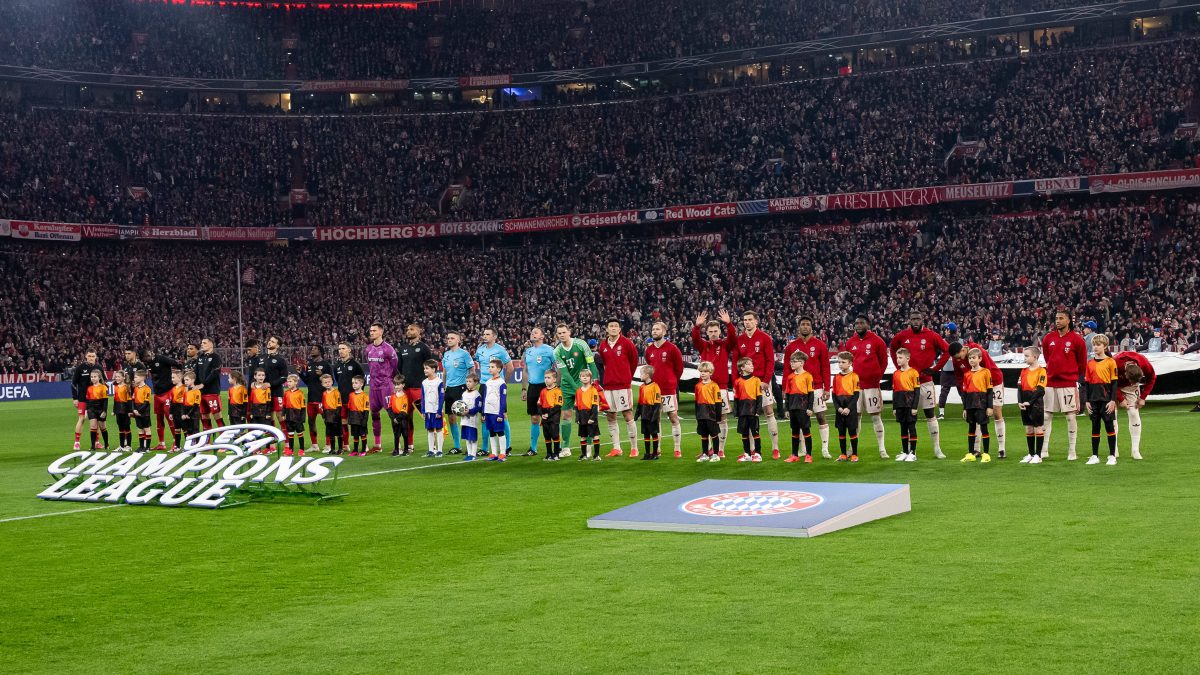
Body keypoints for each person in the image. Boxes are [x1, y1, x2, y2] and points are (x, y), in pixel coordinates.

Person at [888, 311, 950, 459]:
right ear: (909, 321)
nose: (915, 321)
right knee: (907, 417)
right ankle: (908, 451)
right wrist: (899, 367)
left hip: (925, 381)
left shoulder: (931, 335)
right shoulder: (902, 336)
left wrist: (936, 368)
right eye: (913, 319)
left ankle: (937, 448)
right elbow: (892, 348)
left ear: (923, 320)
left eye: (918, 319)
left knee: (930, 414)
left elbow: (947, 350)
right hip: (908, 385)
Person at [1041, 310, 1088, 460]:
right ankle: (1044, 449)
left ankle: (1072, 451)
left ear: (1069, 320)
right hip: (1050, 383)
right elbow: (1048, 358)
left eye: (1061, 318)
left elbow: (1082, 362)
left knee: (1070, 416)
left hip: (1068, 383)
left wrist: (1072, 376)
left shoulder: (1077, 339)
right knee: (1047, 415)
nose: (1058, 321)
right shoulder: (1048, 338)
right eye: (1056, 318)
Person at [948, 340, 1007, 458]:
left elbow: (988, 371)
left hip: (993, 383)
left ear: (963, 350)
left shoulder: (978, 351)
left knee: (996, 413)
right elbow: (960, 378)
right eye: (956, 358)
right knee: (976, 415)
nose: (958, 359)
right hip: (974, 390)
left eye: (959, 356)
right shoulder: (956, 359)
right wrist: (964, 397)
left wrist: (986, 398)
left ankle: (1001, 448)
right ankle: (976, 449)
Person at [784, 315, 832, 459]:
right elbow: (787, 369)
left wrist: (827, 388)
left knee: (820, 416)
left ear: (811, 327)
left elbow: (825, 368)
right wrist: (784, 390)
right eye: (802, 324)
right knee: (799, 420)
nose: (805, 326)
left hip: (816, 387)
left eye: (807, 324)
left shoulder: (820, 345)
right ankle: (803, 450)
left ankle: (825, 449)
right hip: (797, 391)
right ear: (799, 327)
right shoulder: (791, 347)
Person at [733, 310, 779, 459]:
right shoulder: (739, 340)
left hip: (761, 381)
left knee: (768, 411)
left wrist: (766, 380)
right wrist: (735, 381)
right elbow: (735, 362)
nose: (747, 322)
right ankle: (751, 450)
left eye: (750, 320)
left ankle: (775, 448)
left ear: (756, 321)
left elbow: (770, 361)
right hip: (745, 383)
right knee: (748, 415)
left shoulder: (765, 338)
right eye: (745, 320)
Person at [692, 309, 737, 456]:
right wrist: (697, 326)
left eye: (715, 330)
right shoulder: (703, 346)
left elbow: (733, 337)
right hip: (704, 388)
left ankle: (721, 450)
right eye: (710, 331)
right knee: (706, 419)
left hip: (720, 387)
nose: (713, 333)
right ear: (707, 332)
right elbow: (695, 339)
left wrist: (729, 323)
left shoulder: (725, 345)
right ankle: (709, 449)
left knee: (721, 418)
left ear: (719, 331)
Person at [843, 315, 889, 458]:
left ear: (868, 324)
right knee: (855, 417)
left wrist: (876, 377)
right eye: (857, 323)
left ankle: (882, 449)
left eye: (862, 323)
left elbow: (884, 362)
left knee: (876, 416)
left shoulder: (877, 341)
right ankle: (852, 448)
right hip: (855, 387)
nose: (859, 325)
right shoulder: (850, 342)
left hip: (872, 386)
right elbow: (846, 362)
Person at [553, 323, 599, 458]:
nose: (561, 335)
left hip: (584, 382)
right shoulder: (557, 351)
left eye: (563, 332)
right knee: (566, 415)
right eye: (559, 333)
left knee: (587, 415)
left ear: (569, 332)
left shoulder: (581, 344)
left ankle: (589, 446)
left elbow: (591, 363)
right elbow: (565, 373)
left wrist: (594, 380)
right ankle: (566, 447)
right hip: (568, 386)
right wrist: (576, 388)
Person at [598, 319, 641, 458]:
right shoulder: (603, 345)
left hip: (623, 384)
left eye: (616, 326)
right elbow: (605, 363)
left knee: (627, 414)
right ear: (607, 329)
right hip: (609, 385)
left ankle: (634, 448)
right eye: (611, 326)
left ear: (619, 328)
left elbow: (634, 361)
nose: (613, 328)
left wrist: (627, 377)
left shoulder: (627, 343)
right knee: (611, 415)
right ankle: (616, 448)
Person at [644, 321, 685, 458]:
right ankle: (658, 449)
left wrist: (672, 381)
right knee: (655, 420)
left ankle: (677, 448)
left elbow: (679, 369)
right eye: (653, 329)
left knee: (673, 417)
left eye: (657, 329)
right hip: (654, 391)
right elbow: (649, 369)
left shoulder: (672, 348)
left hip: (668, 389)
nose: (654, 331)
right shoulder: (648, 350)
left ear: (664, 332)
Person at [474, 328, 513, 454]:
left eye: (487, 334)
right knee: (484, 416)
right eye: (483, 334)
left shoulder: (500, 350)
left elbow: (510, 367)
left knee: (503, 415)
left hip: (497, 386)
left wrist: (504, 383)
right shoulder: (480, 350)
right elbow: (480, 366)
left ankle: (507, 446)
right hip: (484, 385)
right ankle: (485, 448)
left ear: (494, 336)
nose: (484, 336)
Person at [1113, 350, 1156, 460]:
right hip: (1113, 385)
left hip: (1131, 389)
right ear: (1125, 374)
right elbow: (1110, 382)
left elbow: (1152, 377)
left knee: (1133, 413)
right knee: (1112, 415)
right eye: (1131, 380)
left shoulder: (1143, 362)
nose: (1132, 382)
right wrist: (1121, 399)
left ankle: (1135, 450)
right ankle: (1113, 448)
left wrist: (1143, 397)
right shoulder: (1115, 363)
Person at [1084, 334, 1119, 465]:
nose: (1095, 347)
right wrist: (1086, 401)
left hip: (1106, 400)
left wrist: (1112, 400)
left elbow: (1114, 383)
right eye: (1094, 345)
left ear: (1105, 346)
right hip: (1093, 400)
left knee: (1109, 426)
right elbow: (1087, 383)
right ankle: (1095, 455)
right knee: (1095, 427)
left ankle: (1112, 455)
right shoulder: (1090, 363)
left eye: (1098, 345)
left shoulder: (1111, 362)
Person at [521, 327, 556, 456]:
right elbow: (525, 370)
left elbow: (557, 368)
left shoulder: (549, 350)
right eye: (532, 332)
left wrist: (555, 385)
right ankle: (533, 448)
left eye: (536, 332)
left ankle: (556, 446)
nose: (532, 334)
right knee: (534, 418)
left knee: (550, 418)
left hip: (546, 387)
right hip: (533, 387)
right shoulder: (528, 351)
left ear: (542, 336)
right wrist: (524, 388)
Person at [365, 323, 400, 454]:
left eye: (374, 330)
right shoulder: (368, 349)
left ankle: (398, 445)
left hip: (386, 386)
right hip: (373, 386)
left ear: (381, 332)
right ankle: (377, 444)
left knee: (393, 415)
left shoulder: (388, 349)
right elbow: (370, 365)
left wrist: (389, 380)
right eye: (370, 330)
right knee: (374, 414)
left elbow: (394, 366)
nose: (371, 332)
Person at [441, 331, 473, 455]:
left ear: (458, 340)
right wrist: (443, 387)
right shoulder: (446, 354)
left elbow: (471, 369)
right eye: (448, 338)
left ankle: (469, 445)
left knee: (465, 417)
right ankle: (457, 446)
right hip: (449, 388)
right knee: (451, 418)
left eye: (452, 338)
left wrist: (470, 385)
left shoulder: (464, 354)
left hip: (461, 388)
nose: (449, 340)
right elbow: (444, 372)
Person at [960, 348, 994, 463]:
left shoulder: (985, 372)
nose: (971, 360)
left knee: (984, 428)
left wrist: (990, 407)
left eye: (974, 358)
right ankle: (971, 453)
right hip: (970, 405)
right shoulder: (967, 374)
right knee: (971, 428)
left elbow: (990, 391)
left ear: (980, 358)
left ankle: (986, 454)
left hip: (982, 404)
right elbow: (964, 393)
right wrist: (964, 408)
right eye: (969, 358)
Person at [144, 347, 182, 451]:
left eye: (148, 355)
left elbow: (177, 363)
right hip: (157, 394)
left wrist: (179, 376)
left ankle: (176, 442)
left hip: (167, 393)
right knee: (159, 419)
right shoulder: (147, 363)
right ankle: (162, 443)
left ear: (152, 352)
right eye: (145, 357)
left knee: (170, 418)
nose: (147, 358)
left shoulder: (162, 359)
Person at [299, 345, 333, 453]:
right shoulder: (309, 365)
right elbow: (307, 382)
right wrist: (300, 373)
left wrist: (322, 375)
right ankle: (314, 445)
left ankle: (328, 445)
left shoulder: (325, 364)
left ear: (320, 351)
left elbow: (330, 381)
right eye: (312, 348)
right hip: (311, 398)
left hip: (322, 398)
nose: (312, 350)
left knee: (327, 421)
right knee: (311, 422)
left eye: (315, 349)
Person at [783, 351, 815, 463]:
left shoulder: (808, 376)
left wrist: (810, 408)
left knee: (806, 431)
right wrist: (786, 409)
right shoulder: (790, 377)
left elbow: (811, 393)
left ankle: (809, 455)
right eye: (791, 361)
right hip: (792, 408)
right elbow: (787, 394)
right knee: (794, 432)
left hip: (803, 408)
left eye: (794, 361)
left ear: (801, 363)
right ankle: (794, 455)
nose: (791, 363)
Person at [1017, 347, 1047, 464]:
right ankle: (1031, 453)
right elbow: (1019, 387)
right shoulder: (1023, 371)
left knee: (1037, 427)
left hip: (1036, 404)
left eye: (1027, 356)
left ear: (1035, 357)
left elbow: (1040, 389)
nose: (1025, 358)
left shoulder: (1041, 371)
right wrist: (1019, 401)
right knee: (1028, 428)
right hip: (1024, 403)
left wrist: (1030, 402)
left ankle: (1038, 455)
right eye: (1024, 356)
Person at [333, 342, 365, 450]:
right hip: (342, 399)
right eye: (339, 349)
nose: (340, 351)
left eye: (343, 348)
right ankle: (346, 445)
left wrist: (358, 395)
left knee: (357, 422)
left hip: (354, 399)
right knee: (343, 422)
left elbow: (361, 380)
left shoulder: (355, 364)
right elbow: (338, 380)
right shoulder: (337, 365)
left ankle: (364, 445)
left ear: (349, 350)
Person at [733, 357, 764, 463]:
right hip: (742, 411)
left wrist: (758, 410)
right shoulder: (738, 382)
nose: (752, 366)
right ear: (742, 367)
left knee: (755, 432)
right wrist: (736, 412)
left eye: (752, 364)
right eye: (749, 364)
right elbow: (736, 398)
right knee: (744, 433)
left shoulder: (756, 380)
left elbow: (759, 396)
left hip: (752, 410)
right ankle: (747, 453)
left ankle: (758, 454)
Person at [891, 348, 920, 462]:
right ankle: (904, 451)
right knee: (903, 428)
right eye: (897, 357)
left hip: (909, 405)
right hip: (900, 405)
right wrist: (894, 407)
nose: (898, 360)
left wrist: (914, 407)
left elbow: (917, 391)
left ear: (907, 358)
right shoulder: (896, 374)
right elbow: (894, 391)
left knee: (911, 428)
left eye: (900, 357)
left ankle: (913, 452)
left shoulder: (914, 372)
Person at [832, 351, 861, 462]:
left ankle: (854, 454)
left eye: (843, 362)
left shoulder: (854, 376)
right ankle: (843, 454)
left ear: (850, 363)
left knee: (852, 432)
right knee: (841, 432)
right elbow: (834, 395)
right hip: (840, 409)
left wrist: (849, 408)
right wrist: (838, 408)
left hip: (850, 409)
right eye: (839, 362)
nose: (840, 364)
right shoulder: (836, 377)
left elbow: (856, 394)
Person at [71, 349, 102, 450]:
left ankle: (97, 442)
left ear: (95, 357)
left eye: (93, 356)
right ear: (86, 356)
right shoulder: (80, 368)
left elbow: (104, 382)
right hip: (83, 399)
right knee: (82, 418)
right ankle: (77, 442)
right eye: (89, 356)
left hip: (95, 399)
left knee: (96, 420)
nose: (91, 358)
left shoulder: (98, 368)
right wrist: (75, 398)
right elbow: (73, 384)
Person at [574, 369, 606, 461]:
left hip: (591, 414)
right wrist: (577, 417)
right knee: (583, 436)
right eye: (583, 376)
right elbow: (576, 406)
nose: (585, 377)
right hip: (581, 415)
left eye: (587, 376)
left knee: (595, 435)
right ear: (580, 378)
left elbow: (595, 405)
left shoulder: (593, 390)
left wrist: (592, 417)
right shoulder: (578, 391)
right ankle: (583, 455)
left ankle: (596, 455)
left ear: (590, 378)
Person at [694, 361, 723, 462]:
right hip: (701, 414)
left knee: (714, 434)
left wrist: (718, 417)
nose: (702, 373)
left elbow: (718, 402)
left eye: (705, 371)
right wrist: (697, 415)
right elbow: (696, 402)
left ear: (710, 373)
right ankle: (705, 454)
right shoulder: (698, 386)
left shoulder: (714, 386)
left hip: (711, 414)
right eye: (701, 371)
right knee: (704, 435)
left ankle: (715, 454)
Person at [482, 358, 508, 462]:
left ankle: (502, 453)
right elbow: (485, 398)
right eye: (489, 367)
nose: (490, 369)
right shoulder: (487, 382)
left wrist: (501, 414)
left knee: (500, 432)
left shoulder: (501, 383)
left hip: (496, 412)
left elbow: (503, 399)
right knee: (491, 432)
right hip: (488, 411)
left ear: (499, 369)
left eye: (492, 367)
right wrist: (483, 412)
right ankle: (493, 453)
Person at [635, 364, 663, 460]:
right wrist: (637, 414)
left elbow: (657, 403)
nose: (640, 375)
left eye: (641, 373)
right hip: (644, 414)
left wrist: (654, 416)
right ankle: (647, 454)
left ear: (647, 375)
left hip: (652, 414)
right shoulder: (642, 387)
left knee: (654, 433)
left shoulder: (655, 387)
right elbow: (640, 402)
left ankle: (655, 454)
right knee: (646, 434)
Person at [195, 337, 223, 431]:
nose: (202, 344)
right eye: (202, 343)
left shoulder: (216, 357)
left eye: (204, 343)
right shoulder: (200, 357)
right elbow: (196, 373)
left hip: (212, 391)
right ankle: (207, 442)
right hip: (201, 392)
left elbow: (215, 372)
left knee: (217, 416)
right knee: (204, 417)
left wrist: (203, 383)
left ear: (211, 344)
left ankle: (223, 442)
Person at [420, 359, 446, 458]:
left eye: (427, 368)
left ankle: (440, 450)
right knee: (430, 429)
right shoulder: (424, 382)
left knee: (439, 429)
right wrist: (423, 410)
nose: (425, 370)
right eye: (424, 368)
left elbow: (441, 397)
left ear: (433, 369)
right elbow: (423, 397)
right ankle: (431, 450)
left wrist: (439, 410)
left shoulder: (439, 382)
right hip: (427, 410)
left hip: (436, 410)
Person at [263, 336, 289, 430]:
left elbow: (284, 377)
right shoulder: (262, 358)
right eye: (269, 340)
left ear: (277, 346)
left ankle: (287, 442)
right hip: (264, 393)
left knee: (280, 416)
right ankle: (272, 442)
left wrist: (270, 384)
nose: (269, 342)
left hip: (277, 392)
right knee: (268, 417)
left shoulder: (280, 360)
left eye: (273, 342)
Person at [538, 371, 564, 461]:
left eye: (548, 378)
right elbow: (539, 405)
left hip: (554, 417)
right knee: (547, 435)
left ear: (554, 379)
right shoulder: (542, 391)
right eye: (545, 378)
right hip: (545, 416)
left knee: (555, 435)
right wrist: (542, 414)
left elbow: (558, 406)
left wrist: (548, 414)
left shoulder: (558, 391)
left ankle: (556, 454)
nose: (546, 380)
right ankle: (549, 454)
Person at [937, 322, 961, 419]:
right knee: (962, 391)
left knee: (944, 392)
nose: (945, 331)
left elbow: (936, 353)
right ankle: (967, 410)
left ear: (948, 331)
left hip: (946, 370)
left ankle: (941, 413)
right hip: (958, 370)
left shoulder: (942, 341)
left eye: (946, 329)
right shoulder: (961, 341)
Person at [83, 369, 110, 451]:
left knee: (102, 427)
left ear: (99, 377)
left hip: (100, 409)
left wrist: (104, 411)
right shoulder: (89, 388)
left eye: (95, 377)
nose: (93, 378)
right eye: (91, 377)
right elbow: (87, 401)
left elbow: (105, 400)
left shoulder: (103, 387)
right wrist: (86, 411)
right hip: (91, 409)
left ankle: (106, 444)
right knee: (93, 426)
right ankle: (93, 446)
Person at [387, 375, 412, 457]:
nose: (396, 386)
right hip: (394, 418)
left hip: (403, 418)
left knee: (405, 434)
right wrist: (393, 418)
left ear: (403, 385)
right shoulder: (393, 396)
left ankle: (405, 450)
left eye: (398, 384)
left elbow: (404, 410)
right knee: (396, 435)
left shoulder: (405, 397)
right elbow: (389, 408)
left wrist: (398, 419)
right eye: (395, 384)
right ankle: (396, 449)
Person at [282, 374, 307, 456]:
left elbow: (303, 407)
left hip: (297, 416)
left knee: (300, 434)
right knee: (290, 434)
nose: (288, 383)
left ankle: (301, 449)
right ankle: (291, 450)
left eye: (290, 381)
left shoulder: (300, 393)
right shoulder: (286, 393)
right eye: (288, 381)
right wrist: (283, 414)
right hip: (289, 416)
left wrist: (302, 419)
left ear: (296, 382)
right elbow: (284, 405)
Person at [460, 373, 483, 460]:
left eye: (470, 381)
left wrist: (469, 411)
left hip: (472, 420)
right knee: (467, 437)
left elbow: (478, 407)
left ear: (476, 383)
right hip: (464, 420)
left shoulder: (477, 395)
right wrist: (460, 412)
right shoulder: (464, 393)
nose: (468, 383)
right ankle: (469, 454)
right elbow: (461, 405)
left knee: (472, 438)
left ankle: (473, 454)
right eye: (467, 381)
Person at [320, 373, 344, 455]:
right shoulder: (324, 394)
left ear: (332, 382)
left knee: (339, 432)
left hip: (335, 414)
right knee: (331, 433)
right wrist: (323, 415)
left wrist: (337, 415)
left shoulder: (336, 392)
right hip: (327, 414)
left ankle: (340, 449)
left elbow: (339, 404)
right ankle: (332, 449)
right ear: (322, 384)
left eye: (329, 382)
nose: (327, 384)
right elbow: (323, 405)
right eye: (325, 382)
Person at [346, 375, 370, 456]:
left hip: (361, 417)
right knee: (355, 435)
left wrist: (365, 420)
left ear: (361, 384)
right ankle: (355, 450)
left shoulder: (364, 395)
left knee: (362, 434)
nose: (354, 384)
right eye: (353, 383)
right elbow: (349, 408)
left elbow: (366, 409)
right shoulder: (351, 395)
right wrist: (349, 418)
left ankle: (363, 450)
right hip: (353, 417)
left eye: (356, 383)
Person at [132, 370, 153, 452]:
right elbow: (133, 400)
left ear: (142, 378)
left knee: (147, 429)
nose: (134, 379)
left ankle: (147, 447)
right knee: (140, 429)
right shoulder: (136, 388)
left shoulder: (147, 389)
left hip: (144, 411)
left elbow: (146, 402)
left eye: (135, 377)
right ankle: (141, 447)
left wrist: (139, 411)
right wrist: (134, 409)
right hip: (137, 410)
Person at [179, 370, 202, 443]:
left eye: (187, 380)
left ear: (193, 380)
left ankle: (198, 445)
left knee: (195, 429)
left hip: (194, 413)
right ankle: (189, 445)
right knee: (188, 430)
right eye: (184, 380)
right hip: (186, 413)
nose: (185, 381)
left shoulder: (197, 391)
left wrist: (189, 414)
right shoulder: (185, 391)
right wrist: (183, 414)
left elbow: (196, 404)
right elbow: (182, 403)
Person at [112, 370, 133, 452]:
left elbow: (129, 400)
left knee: (127, 427)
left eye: (118, 377)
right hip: (118, 409)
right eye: (116, 377)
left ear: (123, 377)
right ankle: (121, 445)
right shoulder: (116, 387)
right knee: (120, 428)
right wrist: (114, 410)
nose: (117, 378)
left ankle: (129, 446)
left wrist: (129, 411)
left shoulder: (127, 387)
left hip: (125, 409)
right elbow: (115, 399)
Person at [169, 369, 188, 450]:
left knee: (185, 428)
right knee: (176, 428)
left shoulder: (184, 388)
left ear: (180, 377)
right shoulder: (173, 389)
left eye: (173, 377)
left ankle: (188, 445)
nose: (172, 379)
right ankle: (177, 446)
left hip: (182, 409)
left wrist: (185, 412)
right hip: (175, 410)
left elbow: (186, 401)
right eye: (172, 377)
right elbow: (171, 402)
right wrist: (170, 413)